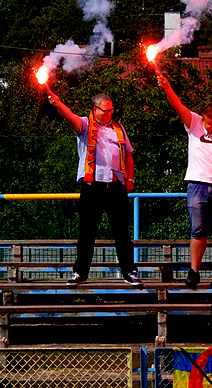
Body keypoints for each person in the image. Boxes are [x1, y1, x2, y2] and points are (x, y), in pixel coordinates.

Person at [156, 72, 212, 289]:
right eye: (209, 124)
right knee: (198, 230)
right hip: (197, 184)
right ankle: (194, 271)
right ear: (203, 120)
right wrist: (167, 87)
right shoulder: (194, 123)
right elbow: (177, 105)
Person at [46, 91, 142, 288]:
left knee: (122, 233)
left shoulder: (119, 128)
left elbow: (129, 154)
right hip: (92, 187)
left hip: (116, 186)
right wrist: (58, 103)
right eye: (105, 111)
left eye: (111, 111)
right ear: (95, 109)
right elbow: (70, 116)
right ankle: (80, 272)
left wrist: (130, 179)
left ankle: (129, 271)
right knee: (87, 232)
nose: (109, 114)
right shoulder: (85, 125)